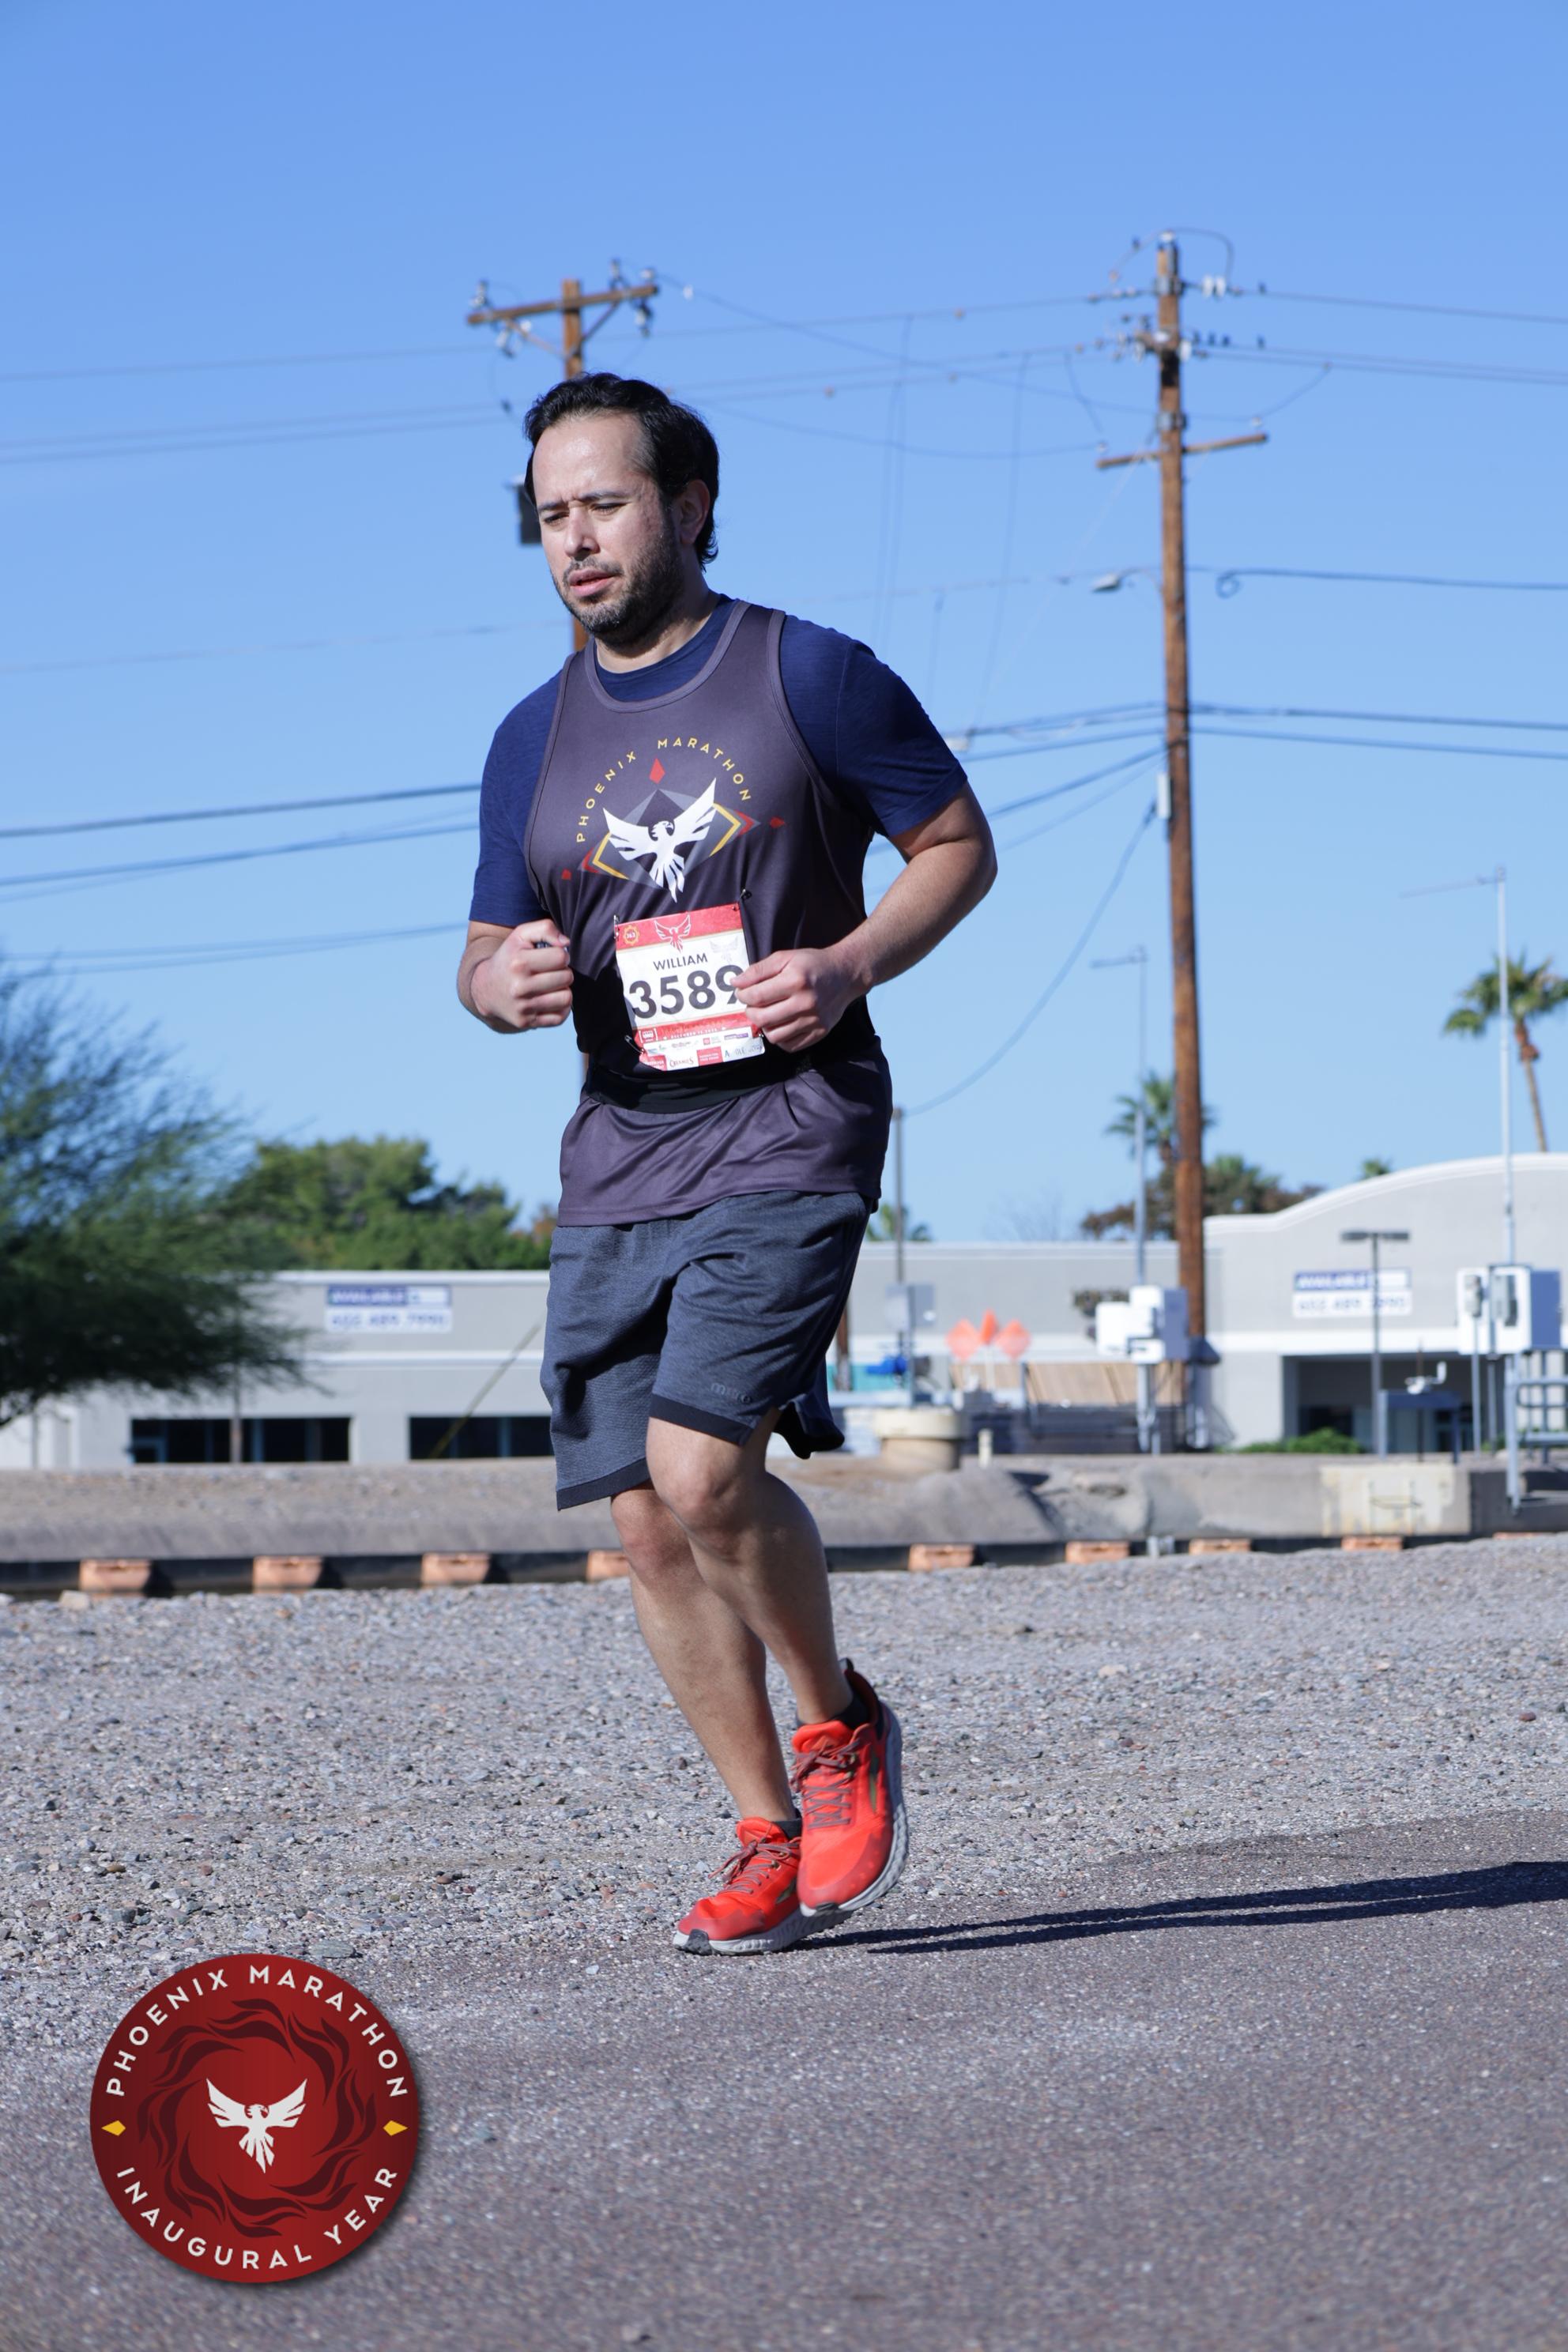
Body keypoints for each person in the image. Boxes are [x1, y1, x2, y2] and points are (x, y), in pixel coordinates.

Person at [458, 372, 994, 1954]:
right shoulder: (529, 737)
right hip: (621, 1146)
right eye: (549, 516)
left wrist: (848, 962)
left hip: (791, 1118)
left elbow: (957, 845)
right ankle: (765, 1829)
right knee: (639, 1517)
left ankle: (839, 1729)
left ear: (688, 507)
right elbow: (483, 948)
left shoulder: (807, 673)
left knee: (702, 1471)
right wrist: (498, 985)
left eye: (604, 504)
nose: (576, 540)